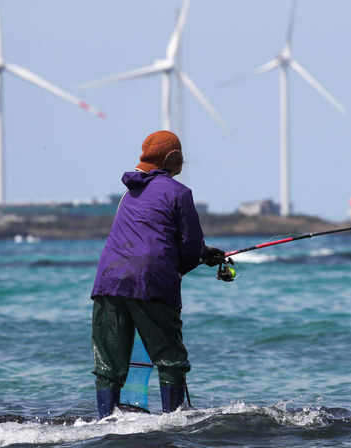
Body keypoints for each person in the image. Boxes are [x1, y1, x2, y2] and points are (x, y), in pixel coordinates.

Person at [90, 130, 226, 418]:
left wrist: (201, 252)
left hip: (107, 280)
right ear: (172, 159)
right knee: (171, 360)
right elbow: (189, 247)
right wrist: (197, 259)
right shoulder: (180, 193)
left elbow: (143, 234)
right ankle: (173, 422)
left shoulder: (130, 192)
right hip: (149, 282)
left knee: (109, 364)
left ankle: (102, 423)